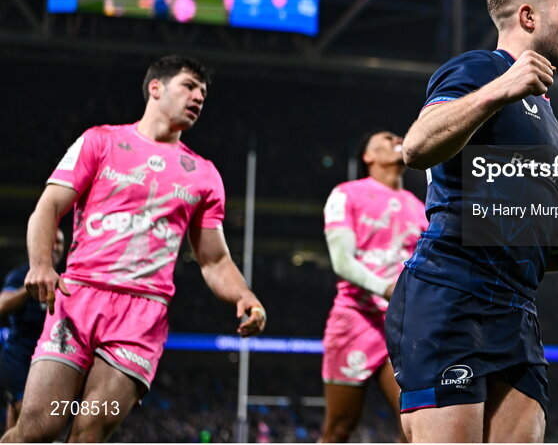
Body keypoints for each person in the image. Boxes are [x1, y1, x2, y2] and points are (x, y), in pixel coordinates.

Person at [386, 0, 558, 443]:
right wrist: (501, 88)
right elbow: (416, 147)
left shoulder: (547, 118)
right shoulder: (482, 68)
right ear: (527, 17)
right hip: (451, 294)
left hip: (517, 310)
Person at [0, 55, 267, 443]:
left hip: (141, 318)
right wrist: (41, 264)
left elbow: (214, 259)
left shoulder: (204, 175)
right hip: (78, 299)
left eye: (203, 93)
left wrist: (245, 295)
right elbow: (48, 207)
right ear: (155, 88)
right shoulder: (101, 141)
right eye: (189, 86)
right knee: (39, 427)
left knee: (90, 431)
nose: (198, 97)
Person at [319, 129, 427, 442]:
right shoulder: (346, 194)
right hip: (355, 320)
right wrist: (387, 288)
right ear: (368, 156)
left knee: (414, 428)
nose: (397, 140)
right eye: (386, 138)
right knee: (338, 429)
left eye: (399, 138)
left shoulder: (419, 208)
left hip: (402, 326)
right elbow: (342, 262)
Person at [0, 231, 65, 430]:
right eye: (51, 240)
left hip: (52, 357)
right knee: (25, 412)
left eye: (60, 242)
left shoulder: (67, 278)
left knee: (19, 413)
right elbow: (2, 305)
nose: (55, 246)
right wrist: (28, 291)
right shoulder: (21, 275)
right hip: (19, 355)